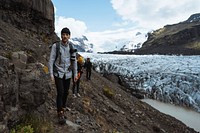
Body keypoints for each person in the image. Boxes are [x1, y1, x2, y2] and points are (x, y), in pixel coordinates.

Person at [49, 27, 78, 124]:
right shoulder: (55, 46)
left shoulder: (72, 47)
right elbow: (51, 60)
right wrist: (51, 74)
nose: (64, 36)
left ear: (69, 36)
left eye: (66, 34)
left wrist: (75, 74)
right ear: (61, 35)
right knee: (60, 92)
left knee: (66, 92)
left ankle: (63, 107)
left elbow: (74, 62)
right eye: (63, 34)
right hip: (58, 73)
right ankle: (60, 113)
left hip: (68, 74)